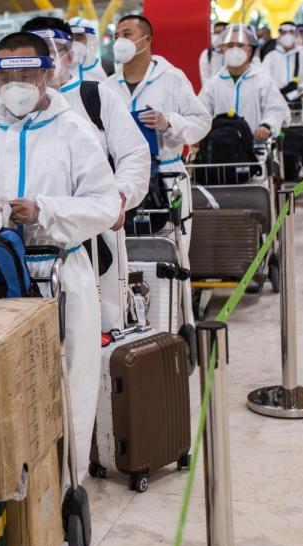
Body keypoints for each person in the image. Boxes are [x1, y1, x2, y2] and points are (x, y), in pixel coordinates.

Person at [0, 32, 120, 486]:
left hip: (61, 269)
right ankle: (0, 483)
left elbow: (104, 204)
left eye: (26, 72)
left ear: (46, 73)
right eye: (5, 73)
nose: (15, 82)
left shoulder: (74, 132)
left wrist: (44, 209)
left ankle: (66, 488)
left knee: (70, 382)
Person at [22, 16, 151, 332]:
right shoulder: (12, 109)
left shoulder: (96, 97)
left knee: (100, 326)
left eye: (53, 52)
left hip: (95, 236)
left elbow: (134, 154)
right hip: (29, 240)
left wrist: (120, 195)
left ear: (68, 55)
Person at [104, 14, 211, 328]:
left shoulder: (171, 78)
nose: (120, 39)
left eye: (128, 33)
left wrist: (170, 123)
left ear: (146, 39)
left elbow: (202, 122)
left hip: (168, 179)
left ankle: (180, 324)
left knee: (174, 251)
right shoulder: (108, 87)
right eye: (117, 34)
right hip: (124, 183)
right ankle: (134, 324)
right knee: (127, 254)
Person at [200, 24, 290, 142]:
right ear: (223, 49)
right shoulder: (213, 84)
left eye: (240, 45)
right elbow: (201, 113)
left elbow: (277, 109)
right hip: (220, 152)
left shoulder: (262, 80)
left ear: (249, 50)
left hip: (256, 151)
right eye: (230, 45)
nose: (235, 49)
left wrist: (266, 125)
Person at [263, 22, 303, 118]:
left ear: (296, 35)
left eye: (291, 32)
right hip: (276, 105)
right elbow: (264, 78)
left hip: (300, 105)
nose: (287, 35)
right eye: (283, 32)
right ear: (279, 35)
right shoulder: (270, 57)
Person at [68, 17, 108, 82]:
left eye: (78, 39)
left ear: (90, 39)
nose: (73, 43)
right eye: (70, 39)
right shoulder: (60, 69)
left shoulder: (105, 66)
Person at [199, 21, 228, 86]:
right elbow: (205, 80)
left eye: (221, 33)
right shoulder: (206, 54)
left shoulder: (232, 54)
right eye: (216, 33)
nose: (218, 36)